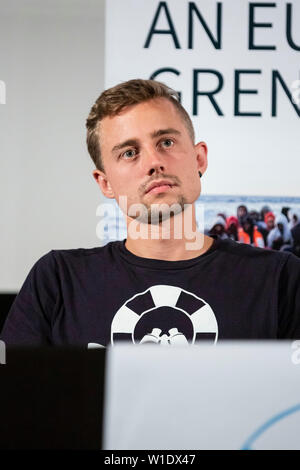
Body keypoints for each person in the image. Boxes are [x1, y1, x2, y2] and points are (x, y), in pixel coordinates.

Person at [1, 79, 300, 346]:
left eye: (166, 142)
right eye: (129, 152)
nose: (154, 162)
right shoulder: (59, 280)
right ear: (105, 183)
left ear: (199, 158)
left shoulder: (279, 279)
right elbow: (17, 400)